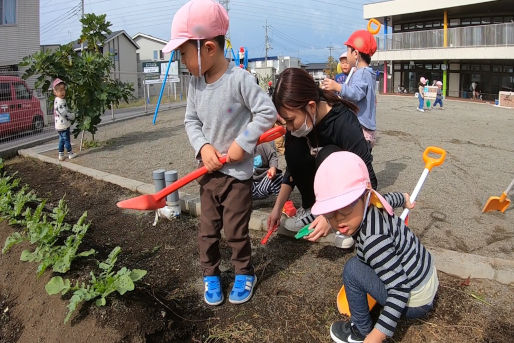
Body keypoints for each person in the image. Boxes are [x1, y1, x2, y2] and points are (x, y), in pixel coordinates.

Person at [162, 0, 276, 306]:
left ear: (208, 48)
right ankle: (210, 275)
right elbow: (191, 121)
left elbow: (267, 112)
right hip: (209, 174)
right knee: (208, 230)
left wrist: (244, 141)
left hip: (237, 176)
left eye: (184, 53)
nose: (182, 60)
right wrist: (203, 146)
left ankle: (244, 273)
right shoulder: (196, 85)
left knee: (235, 231)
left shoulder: (240, 80)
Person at [311, 152, 438, 343]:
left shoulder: (373, 241)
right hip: (427, 278)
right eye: (329, 214)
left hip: (415, 300)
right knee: (366, 263)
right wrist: (404, 198)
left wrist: (375, 337)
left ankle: (360, 332)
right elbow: (391, 198)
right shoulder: (375, 201)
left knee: (353, 269)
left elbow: (400, 290)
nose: (338, 221)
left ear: (365, 195)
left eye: (345, 209)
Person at [267, 68, 377, 249]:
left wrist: (330, 216)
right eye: (284, 121)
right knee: (293, 150)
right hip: (319, 201)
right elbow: (292, 170)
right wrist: (277, 209)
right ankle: (311, 209)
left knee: (329, 156)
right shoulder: (297, 126)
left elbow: (369, 182)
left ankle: (343, 221)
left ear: (311, 106)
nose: (288, 127)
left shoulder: (344, 123)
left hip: (346, 203)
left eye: (290, 120)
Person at [321, 30, 378, 150]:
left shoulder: (361, 73)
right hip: (365, 127)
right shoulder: (366, 73)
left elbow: (356, 93)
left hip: (361, 127)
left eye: (348, 50)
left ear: (356, 54)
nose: (346, 55)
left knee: (357, 160)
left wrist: (338, 87)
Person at [52, 78, 76, 161]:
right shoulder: (60, 102)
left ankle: (61, 154)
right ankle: (70, 153)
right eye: (60, 90)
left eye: (63, 90)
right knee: (66, 139)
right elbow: (64, 113)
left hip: (59, 125)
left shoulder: (57, 100)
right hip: (63, 125)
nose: (62, 92)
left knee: (61, 140)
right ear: (55, 92)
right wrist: (72, 116)